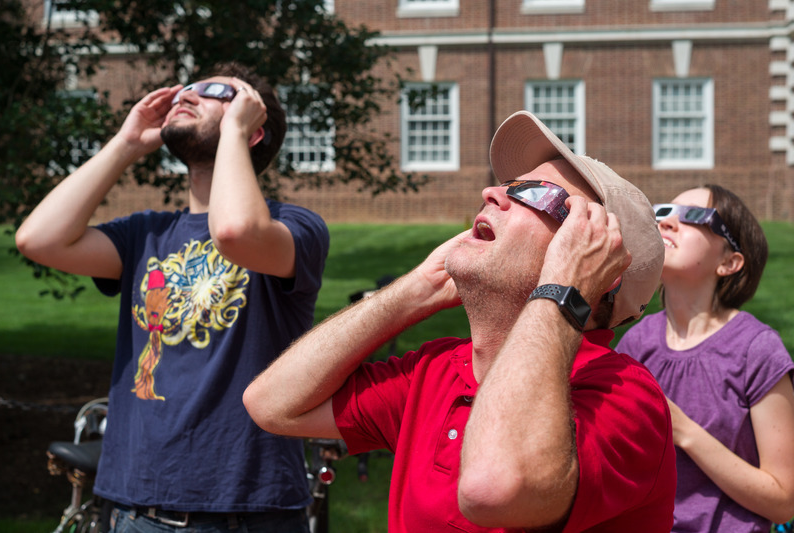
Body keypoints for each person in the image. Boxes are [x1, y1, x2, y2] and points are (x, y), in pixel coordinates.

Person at [244, 110, 676, 532]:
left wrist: (566, 288)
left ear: (595, 261)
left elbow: (494, 489)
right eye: (508, 184)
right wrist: (417, 290)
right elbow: (272, 404)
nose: (492, 193)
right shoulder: (436, 371)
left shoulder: (624, 396)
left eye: (533, 193)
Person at [16, 62, 329, 532]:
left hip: (246, 511)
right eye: (186, 88)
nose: (187, 94)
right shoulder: (145, 233)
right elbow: (39, 239)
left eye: (214, 92)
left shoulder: (295, 227)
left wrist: (233, 132)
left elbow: (234, 232)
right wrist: (126, 145)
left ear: (252, 129)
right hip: (136, 507)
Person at [616, 185, 794, 532]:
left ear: (729, 262)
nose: (667, 223)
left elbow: (783, 501)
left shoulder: (756, 350)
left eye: (695, 216)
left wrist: (684, 432)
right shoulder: (635, 343)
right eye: (664, 212)